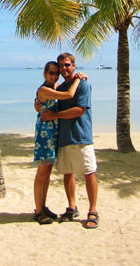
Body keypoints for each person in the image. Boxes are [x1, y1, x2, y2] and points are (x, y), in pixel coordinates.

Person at [40, 52, 99, 229]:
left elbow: (79, 110)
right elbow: (45, 100)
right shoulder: (59, 88)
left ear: (74, 66)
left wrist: (55, 115)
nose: (64, 68)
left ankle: (93, 211)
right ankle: (72, 207)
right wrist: (38, 104)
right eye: (61, 66)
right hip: (64, 137)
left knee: (89, 172)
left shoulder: (83, 85)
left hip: (81, 136)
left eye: (67, 65)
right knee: (68, 173)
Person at [33, 61, 86, 225]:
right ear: (44, 73)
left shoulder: (55, 88)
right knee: (42, 173)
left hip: (54, 133)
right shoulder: (44, 90)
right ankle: (38, 210)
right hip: (44, 133)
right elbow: (69, 95)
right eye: (51, 73)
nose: (55, 76)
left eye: (56, 73)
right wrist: (78, 78)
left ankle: (42, 207)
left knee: (47, 172)